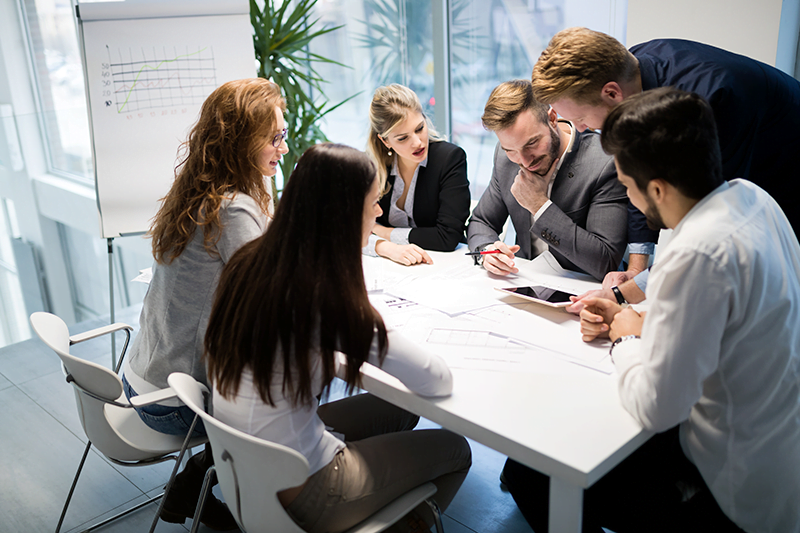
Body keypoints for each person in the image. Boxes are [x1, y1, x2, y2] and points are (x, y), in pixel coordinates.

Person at [505, 88, 800, 532]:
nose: (630, 199)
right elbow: (720, 318)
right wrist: (630, 312)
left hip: (729, 480)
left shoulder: (699, 252)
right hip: (780, 438)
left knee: (533, 472)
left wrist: (625, 336)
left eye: (626, 186)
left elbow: (656, 406)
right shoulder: (750, 198)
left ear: (658, 188)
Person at [204, 143, 472, 533]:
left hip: (247, 470)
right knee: (455, 447)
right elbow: (435, 378)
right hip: (307, 490)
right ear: (344, 215)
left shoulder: (252, 260)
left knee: (401, 409)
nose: (379, 211)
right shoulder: (321, 292)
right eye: (372, 203)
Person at [531, 27, 800, 307]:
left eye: (582, 118)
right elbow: (640, 175)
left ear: (611, 93)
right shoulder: (627, 70)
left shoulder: (705, 105)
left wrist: (626, 295)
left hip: (786, 170)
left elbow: (704, 238)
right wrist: (636, 268)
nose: (580, 129)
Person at [121, 78, 288, 529]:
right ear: (241, 140)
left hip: (141, 377)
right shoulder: (232, 207)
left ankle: (190, 487)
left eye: (283, 135)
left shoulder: (201, 186)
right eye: (274, 138)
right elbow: (272, 296)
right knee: (282, 395)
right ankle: (218, 490)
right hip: (173, 402)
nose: (283, 149)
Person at [467, 79, 627, 282]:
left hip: (583, 290)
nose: (524, 161)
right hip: (522, 282)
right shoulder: (504, 156)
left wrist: (540, 207)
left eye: (532, 143)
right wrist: (488, 252)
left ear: (552, 118)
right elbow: (481, 222)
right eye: (511, 150)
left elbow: (606, 261)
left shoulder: (604, 162)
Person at [364, 84, 471, 266]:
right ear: (385, 141)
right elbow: (350, 229)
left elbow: (447, 237)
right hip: (389, 267)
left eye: (419, 128)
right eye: (403, 138)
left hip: (442, 266)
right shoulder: (372, 166)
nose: (417, 142)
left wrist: (384, 232)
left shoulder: (450, 159)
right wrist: (385, 247)